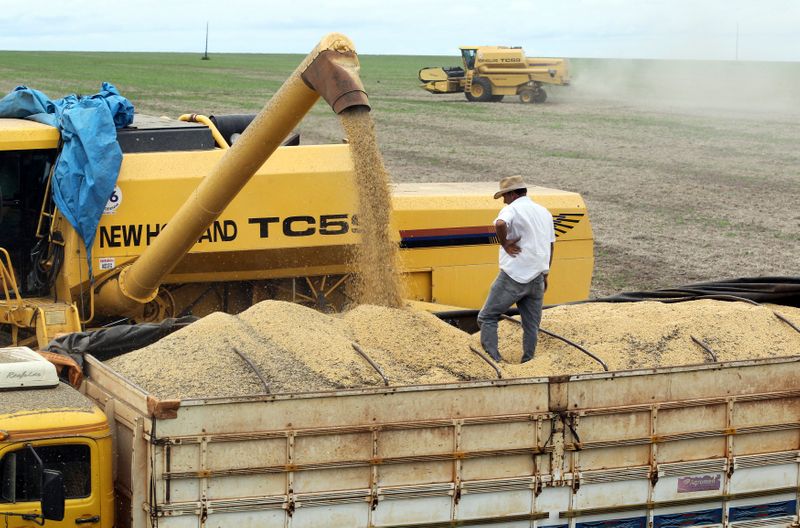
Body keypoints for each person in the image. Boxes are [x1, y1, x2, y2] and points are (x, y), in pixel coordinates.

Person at [478, 175, 555, 363]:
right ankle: (528, 361)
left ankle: (494, 361)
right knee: (531, 325)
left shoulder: (511, 209)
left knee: (487, 317)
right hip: (537, 276)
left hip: (513, 275)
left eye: (504, 195)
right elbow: (551, 245)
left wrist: (504, 243)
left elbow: (500, 223)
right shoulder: (544, 212)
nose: (503, 200)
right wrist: (545, 274)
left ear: (512, 194)